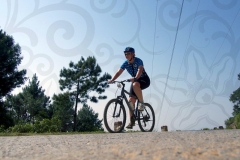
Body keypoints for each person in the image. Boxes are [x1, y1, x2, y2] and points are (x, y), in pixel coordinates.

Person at [108, 47, 150, 129]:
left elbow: (140, 70)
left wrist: (136, 78)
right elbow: (118, 72)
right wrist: (112, 80)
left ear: (133, 54)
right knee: (130, 101)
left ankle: (141, 103)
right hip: (135, 80)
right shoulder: (125, 63)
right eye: (125, 53)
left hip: (144, 80)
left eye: (128, 53)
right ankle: (132, 121)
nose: (126, 55)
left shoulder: (138, 61)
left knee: (135, 85)